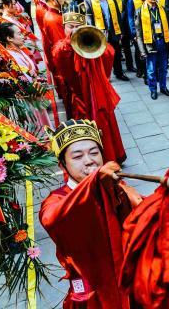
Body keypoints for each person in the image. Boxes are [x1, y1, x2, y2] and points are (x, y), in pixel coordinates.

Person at [40, 119, 142, 308]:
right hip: (93, 290)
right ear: (63, 165)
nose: (89, 161)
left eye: (94, 153)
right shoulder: (55, 201)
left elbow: (141, 211)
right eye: (77, 156)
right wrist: (93, 183)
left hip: (128, 280)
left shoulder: (114, 186)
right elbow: (53, 219)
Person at [52, 5, 127, 163]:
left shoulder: (92, 42)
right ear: (64, 28)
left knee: (105, 123)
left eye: (78, 27)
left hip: (98, 93)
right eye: (70, 27)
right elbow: (58, 58)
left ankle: (111, 156)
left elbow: (109, 53)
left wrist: (97, 37)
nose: (74, 30)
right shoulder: (62, 46)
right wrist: (69, 42)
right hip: (79, 96)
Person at [84, 0, 127, 81]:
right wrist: (94, 34)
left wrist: (120, 31)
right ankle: (105, 76)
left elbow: (118, 15)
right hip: (100, 33)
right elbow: (89, 20)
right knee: (102, 56)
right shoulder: (88, 1)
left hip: (113, 31)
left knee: (116, 53)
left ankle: (119, 73)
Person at [135, 0, 169, 100]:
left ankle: (163, 87)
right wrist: (142, 50)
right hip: (150, 43)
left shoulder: (162, 9)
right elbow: (138, 33)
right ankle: (153, 89)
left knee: (163, 67)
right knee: (151, 70)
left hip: (163, 41)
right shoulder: (140, 11)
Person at [127, 0, 147, 81]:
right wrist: (133, 32)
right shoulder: (132, 1)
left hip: (149, 28)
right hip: (138, 30)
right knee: (139, 51)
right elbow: (130, 17)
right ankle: (140, 70)